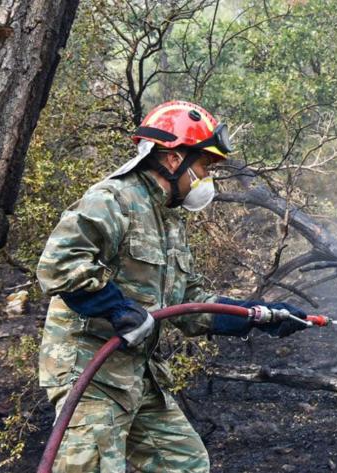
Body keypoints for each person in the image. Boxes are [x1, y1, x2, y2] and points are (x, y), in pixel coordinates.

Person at [36, 101, 305, 472]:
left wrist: (256, 315)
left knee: (184, 463)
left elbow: (188, 303)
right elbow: (58, 264)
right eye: (204, 166)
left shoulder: (169, 219)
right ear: (175, 158)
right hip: (90, 372)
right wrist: (116, 308)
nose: (206, 178)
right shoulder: (114, 199)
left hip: (137, 373)